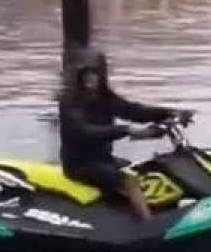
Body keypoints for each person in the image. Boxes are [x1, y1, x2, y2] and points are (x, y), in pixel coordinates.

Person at [58, 58, 193, 222]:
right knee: (129, 181)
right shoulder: (70, 103)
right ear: (79, 77)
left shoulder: (106, 98)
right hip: (80, 164)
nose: (90, 78)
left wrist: (171, 113)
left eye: (94, 73)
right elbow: (84, 131)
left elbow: (136, 111)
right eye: (86, 74)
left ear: (102, 76)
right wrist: (125, 130)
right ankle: (149, 226)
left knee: (147, 170)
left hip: (103, 159)